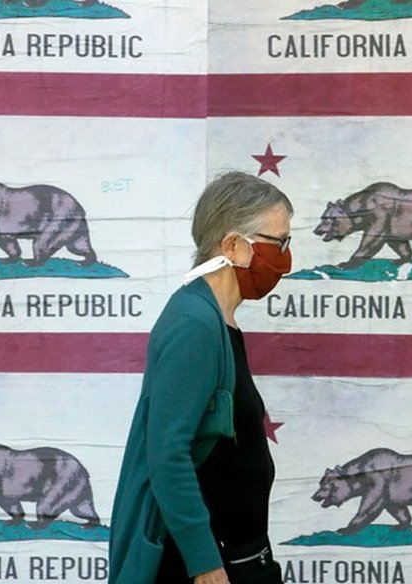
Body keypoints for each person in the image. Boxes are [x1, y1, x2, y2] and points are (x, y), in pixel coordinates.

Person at [108, 172, 293, 584]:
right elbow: (167, 452)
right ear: (232, 246)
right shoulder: (194, 323)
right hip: (205, 568)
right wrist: (204, 563)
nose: (285, 256)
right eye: (277, 242)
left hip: (239, 557)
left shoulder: (217, 319)